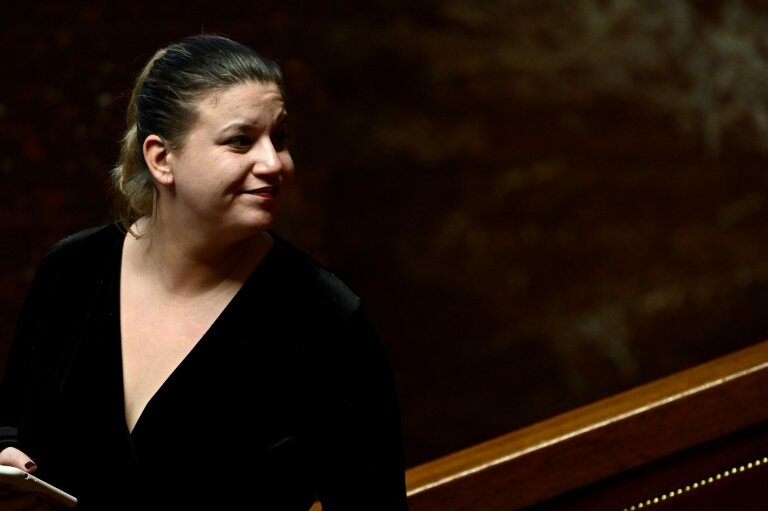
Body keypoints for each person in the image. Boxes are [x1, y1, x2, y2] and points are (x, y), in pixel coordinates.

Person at [0, 33, 409, 510]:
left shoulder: (326, 317)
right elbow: (14, 419)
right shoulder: (72, 270)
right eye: (241, 141)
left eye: (279, 138)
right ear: (161, 158)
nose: (274, 163)